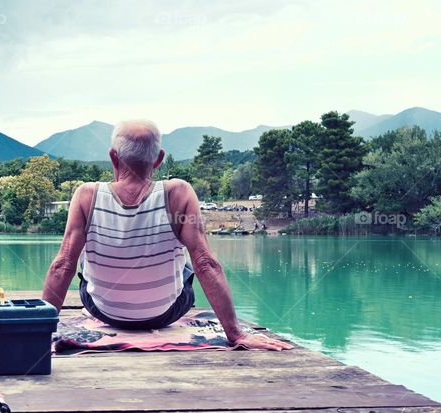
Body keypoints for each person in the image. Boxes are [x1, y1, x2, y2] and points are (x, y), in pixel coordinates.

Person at [41, 119, 290, 351]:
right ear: (159, 159)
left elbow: (62, 265)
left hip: (103, 311)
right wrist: (236, 334)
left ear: (113, 158)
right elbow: (207, 264)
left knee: (83, 259)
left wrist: (39, 334)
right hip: (166, 313)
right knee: (189, 263)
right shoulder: (178, 193)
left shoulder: (86, 195)